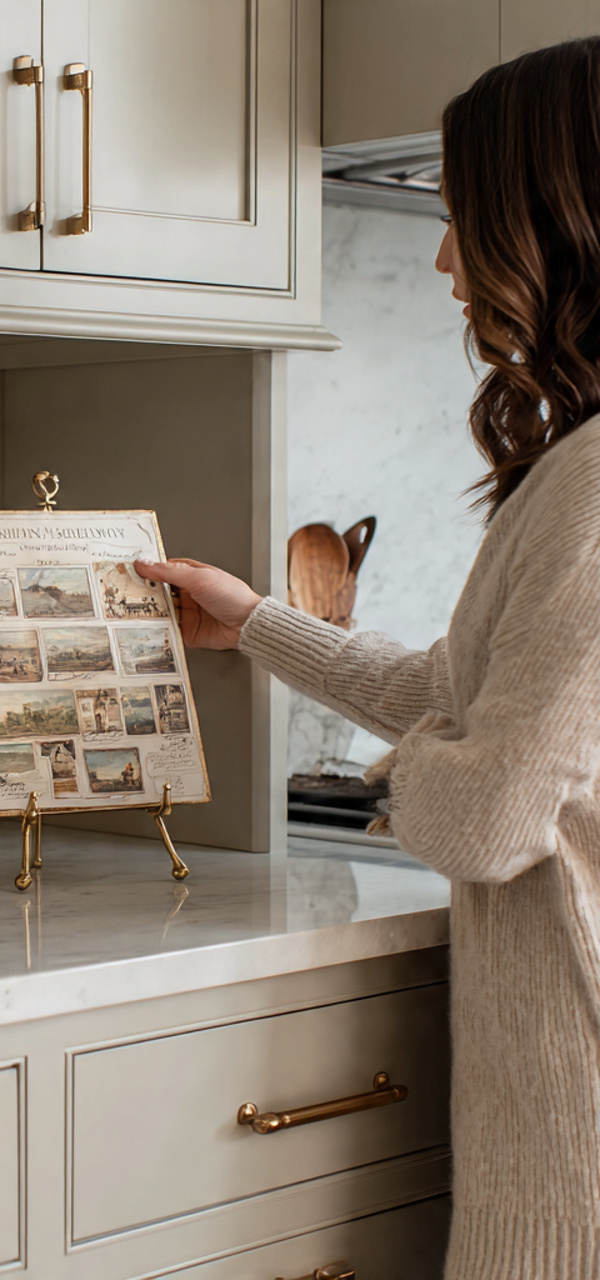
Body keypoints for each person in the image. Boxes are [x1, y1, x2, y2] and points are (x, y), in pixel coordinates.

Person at [137, 38, 600, 1280]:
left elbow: (489, 817)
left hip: (576, 1120)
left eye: (461, 219)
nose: (444, 260)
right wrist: (254, 619)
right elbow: (462, 694)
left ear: (554, 223)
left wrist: (395, 771)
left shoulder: (590, 486)